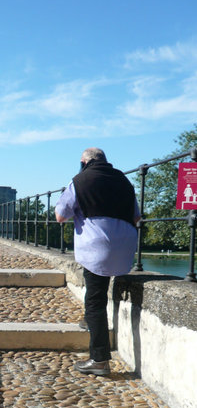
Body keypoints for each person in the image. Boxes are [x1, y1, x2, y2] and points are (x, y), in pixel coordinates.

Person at [55, 147, 141, 376]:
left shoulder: (80, 180)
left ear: (84, 162)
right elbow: (136, 216)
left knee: (95, 299)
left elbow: (61, 216)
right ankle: (89, 321)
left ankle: (99, 360)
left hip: (97, 246)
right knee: (98, 290)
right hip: (126, 247)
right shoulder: (124, 181)